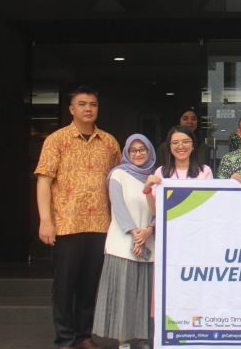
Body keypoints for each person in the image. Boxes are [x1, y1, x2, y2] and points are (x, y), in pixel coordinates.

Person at [34, 86, 121, 349]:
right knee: (64, 286)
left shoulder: (109, 142)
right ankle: (65, 338)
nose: (88, 109)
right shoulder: (56, 140)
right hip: (66, 224)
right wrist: (45, 220)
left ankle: (83, 335)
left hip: (99, 225)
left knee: (89, 284)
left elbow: (119, 181)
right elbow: (44, 182)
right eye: (82, 104)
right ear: (72, 109)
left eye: (92, 104)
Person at [92, 134, 156, 349]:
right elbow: (118, 209)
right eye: (133, 150)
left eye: (142, 150)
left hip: (150, 242)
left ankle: (144, 339)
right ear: (127, 153)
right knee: (124, 296)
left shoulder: (157, 176)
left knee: (145, 298)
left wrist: (148, 232)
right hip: (122, 243)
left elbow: (162, 208)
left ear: (150, 151)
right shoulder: (118, 174)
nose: (138, 154)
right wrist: (135, 234)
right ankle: (124, 340)